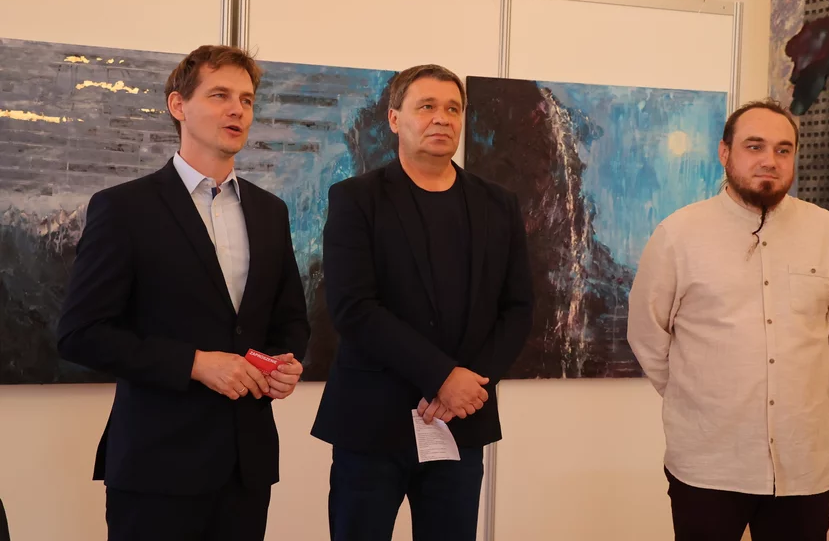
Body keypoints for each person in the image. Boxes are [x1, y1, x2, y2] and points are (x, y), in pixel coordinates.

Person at [57, 45, 310, 541]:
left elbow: (290, 320)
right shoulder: (124, 208)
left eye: (247, 99)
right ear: (178, 105)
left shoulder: (270, 211)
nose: (237, 110)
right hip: (156, 466)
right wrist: (194, 363)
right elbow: (81, 334)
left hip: (246, 466)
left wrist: (283, 363)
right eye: (220, 96)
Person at [311, 64, 534, 541]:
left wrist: (470, 386)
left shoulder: (498, 204)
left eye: (453, 108)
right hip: (371, 425)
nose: (442, 118)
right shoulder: (356, 199)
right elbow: (353, 308)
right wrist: (442, 378)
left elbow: (518, 308)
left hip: (460, 424)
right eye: (426, 106)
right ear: (395, 119)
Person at [627, 99, 829, 541]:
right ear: (724, 152)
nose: (769, 160)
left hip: (803, 461)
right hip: (708, 460)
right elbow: (646, 333)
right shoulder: (678, 235)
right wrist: (698, 395)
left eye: (783, 149)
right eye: (754, 146)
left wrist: (798, 387)